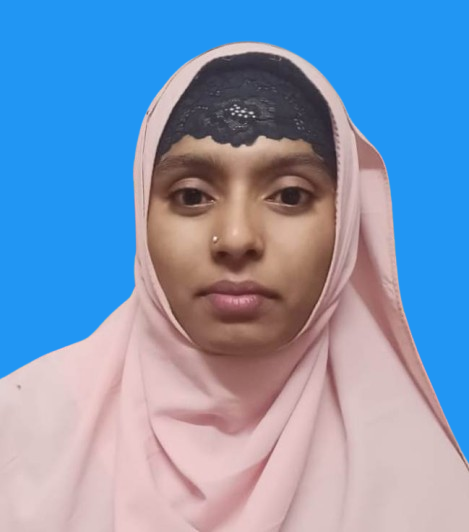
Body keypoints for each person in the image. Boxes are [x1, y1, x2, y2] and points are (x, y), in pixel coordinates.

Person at [0, 42, 468, 532]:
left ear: (345, 219)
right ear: (142, 211)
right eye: (191, 196)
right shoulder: (22, 438)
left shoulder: (427, 486)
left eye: (290, 195)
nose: (237, 239)